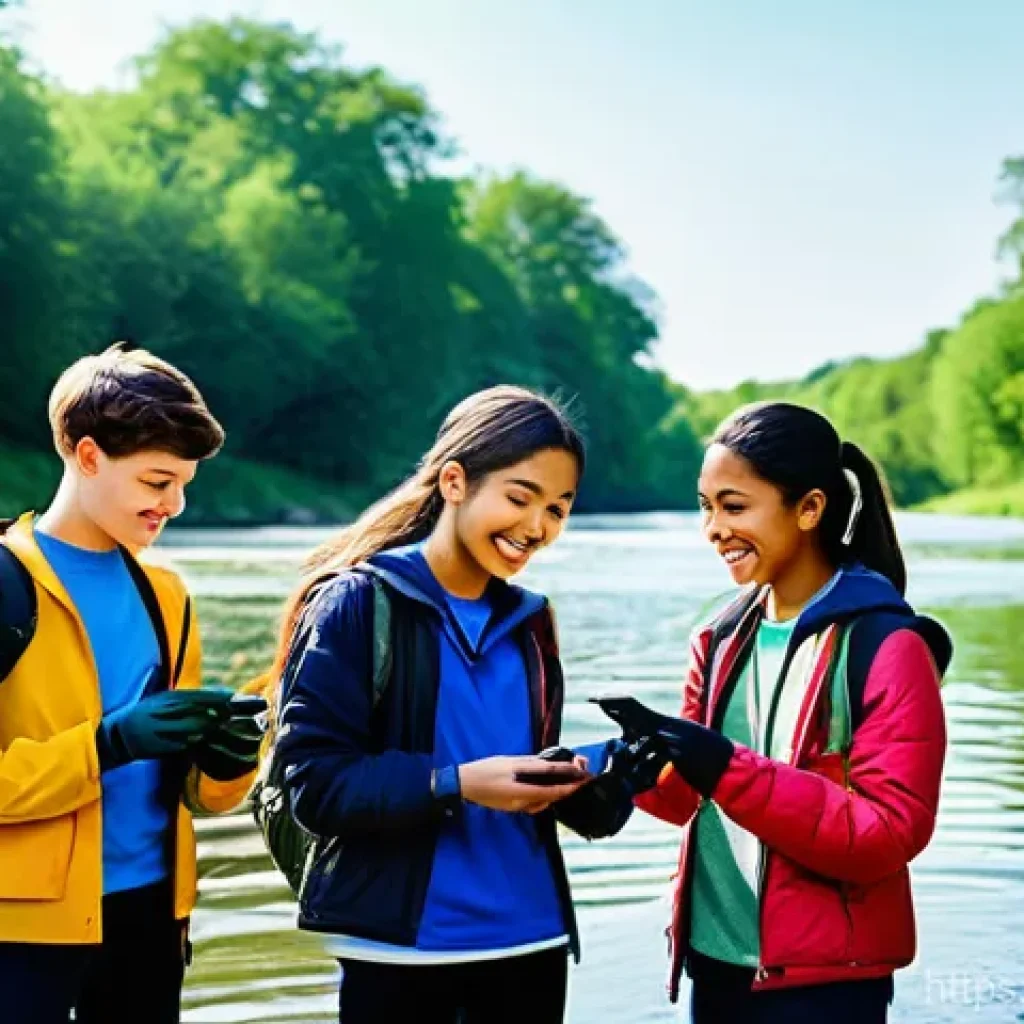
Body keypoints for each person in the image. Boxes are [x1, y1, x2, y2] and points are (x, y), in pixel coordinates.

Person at [272, 386, 624, 1024]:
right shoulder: (356, 604)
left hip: (533, 945)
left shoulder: (530, 622)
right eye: (519, 498)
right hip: (404, 956)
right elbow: (315, 787)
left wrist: (592, 781)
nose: (536, 528)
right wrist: (454, 784)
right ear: (455, 482)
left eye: (558, 509)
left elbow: (527, 784)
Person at [634, 401, 950, 1024]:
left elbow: (886, 834)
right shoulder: (718, 639)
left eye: (734, 505)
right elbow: (686, 797)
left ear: (808, 508)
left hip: (823, 988)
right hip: (713, 966)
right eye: (706, 506)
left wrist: (726, 768)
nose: (714, 528)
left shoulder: (887, 649)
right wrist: (614, 777)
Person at [0, 345, 266, 1024]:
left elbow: (196, 798)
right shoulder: (5, 585)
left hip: (153, 917)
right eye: (156, 482)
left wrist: (228, 761)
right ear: (87, 457)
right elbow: (113, 749)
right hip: (20, 935)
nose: (173, 505)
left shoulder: (168, 596)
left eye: (183, 484)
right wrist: (105, 745)